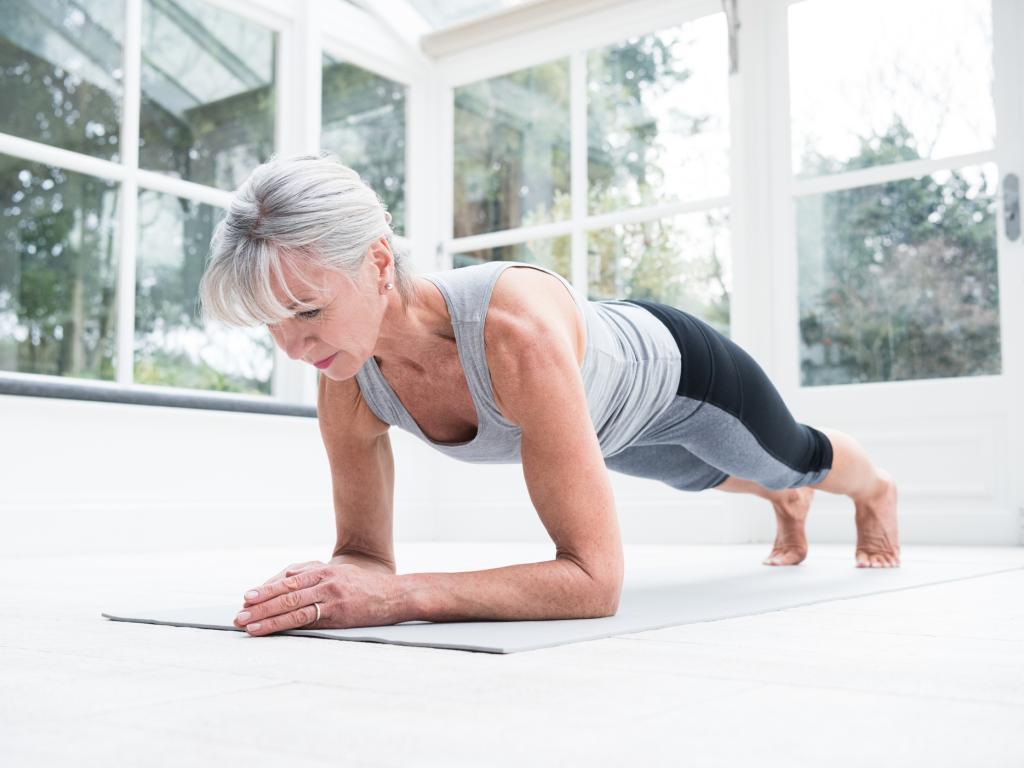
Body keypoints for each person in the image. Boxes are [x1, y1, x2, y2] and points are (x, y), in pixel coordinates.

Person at [199, 153, 901, 638]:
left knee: (794, 459)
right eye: (272, 325)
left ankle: (874, 493)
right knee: (706, 477)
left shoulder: (514, 334)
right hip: (606, 421)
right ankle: (780, 504)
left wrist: (404, 596)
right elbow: (363, 556)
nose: (292, 348)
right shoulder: (346, 378)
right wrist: (334, 584)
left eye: (309, 311)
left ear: (379, 263)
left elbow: (595, 583)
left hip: (681, 376)